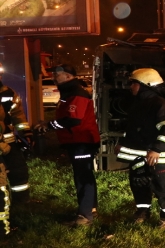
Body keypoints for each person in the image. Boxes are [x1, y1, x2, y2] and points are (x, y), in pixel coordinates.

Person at [34, 64, 100, 227]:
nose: (54, 77)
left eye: (59, 75)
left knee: (83, 177)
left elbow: (73, 120)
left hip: (81, 141)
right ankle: (89, 210)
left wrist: (49, 126)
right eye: (54, 75)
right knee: (84, 176)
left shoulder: (76, 94)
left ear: (69, 77)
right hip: (78, 141)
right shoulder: (69, 93)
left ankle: (85, 216)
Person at [115, 68, 165, 228]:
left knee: (161, 187)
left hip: (157, 157)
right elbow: (133, 129)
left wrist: (156, 149)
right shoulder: (139, 103)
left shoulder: (161, 104)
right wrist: (123, 144)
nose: (131, 87)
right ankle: (142, 212)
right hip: (138, 155)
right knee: (138, 183)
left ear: (146, 85)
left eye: (134, 83)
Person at [0, 62, 32, 234]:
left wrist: (26, 133)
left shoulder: (8, 93)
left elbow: (17, 116)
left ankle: (22, 203)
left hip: (9, 143)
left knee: (19, 172)